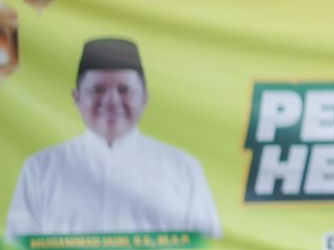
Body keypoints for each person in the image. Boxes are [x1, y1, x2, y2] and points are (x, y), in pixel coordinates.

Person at [5, 37, 222, 239]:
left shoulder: (183, 168)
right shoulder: (41, 169)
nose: (111, 101)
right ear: (76, 97)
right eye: (97, 90)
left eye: (125, 90)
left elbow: (209, 249)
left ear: (145, 98)